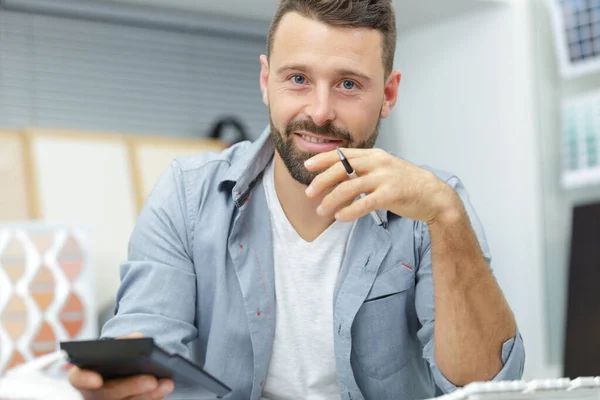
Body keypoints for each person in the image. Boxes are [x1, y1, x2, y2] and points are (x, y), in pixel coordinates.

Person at [69, 0, 525, 399]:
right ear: (266, 80)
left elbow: (484, 388)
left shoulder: (435, 205)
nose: (321, 111)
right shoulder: (189, 196)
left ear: (388, 93)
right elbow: (150, 335)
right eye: (299, 79)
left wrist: (446, 216)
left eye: (348, 84)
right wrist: (124, 373)